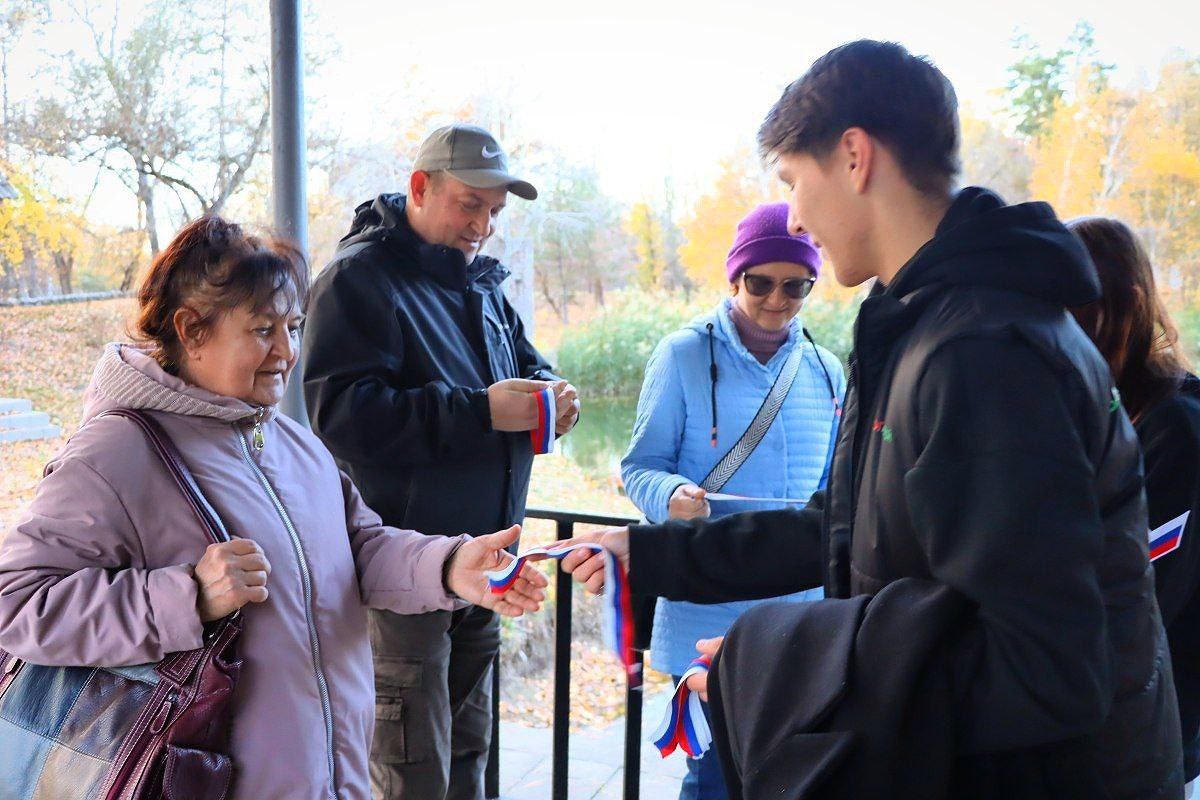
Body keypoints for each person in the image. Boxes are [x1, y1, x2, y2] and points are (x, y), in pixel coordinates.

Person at [555, 40, 1182, 798]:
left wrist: (772, 660)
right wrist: (647, 554)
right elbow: (840, 530)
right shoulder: (918, 326)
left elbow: (1041, 668)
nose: (792, 212)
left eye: (793, 180)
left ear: (854, 156)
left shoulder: (984, 353)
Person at [0, 216, 547, 799]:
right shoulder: (116, 452)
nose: (287, 351)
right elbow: (17, 603)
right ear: (192, 330)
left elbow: (358, 547)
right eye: (263, 329)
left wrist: (448, 567)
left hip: (337, 780)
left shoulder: (290, 441)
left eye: (294, 326)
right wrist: (187, 595)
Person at [301, 123, 578, 800]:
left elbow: (523, 369)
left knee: (468, 764)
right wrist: (480, 411)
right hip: (402, 581)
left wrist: (554, 395)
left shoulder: (481, 287)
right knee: (411, 776)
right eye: (469, 204)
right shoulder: (355, 281)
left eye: (493, 212)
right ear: (420, 188)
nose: (482, 225)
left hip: (481, 569)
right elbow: (339, 416)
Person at [621, 201, 842, 800]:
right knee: (715, 781)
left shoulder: (828, 371)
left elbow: (838, 499)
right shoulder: (682, 355)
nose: (778, 300)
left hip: (803, 621)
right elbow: (638, 468)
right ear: (733, 276)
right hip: (707, 613)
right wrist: (673, 497)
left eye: (797, 285)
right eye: (760, 283)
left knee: (792, 780)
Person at [1067, 216, 1200, 787]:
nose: (1063, 333)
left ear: (1129, 304)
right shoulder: (1100, 412)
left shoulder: (1176, 430)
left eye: (1078, 311)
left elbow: (1144, 596)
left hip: (1154, 735)